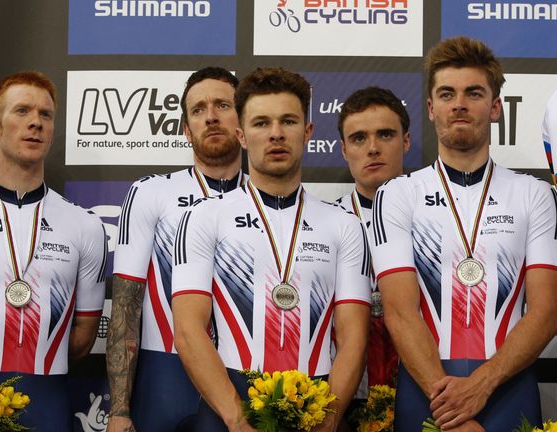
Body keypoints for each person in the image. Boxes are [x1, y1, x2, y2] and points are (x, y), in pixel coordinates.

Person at [371, 36, 557, 431]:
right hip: (427, 391)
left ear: (494, 109)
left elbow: (546, 309)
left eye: (473, 93)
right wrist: (451, 406)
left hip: (509, 387)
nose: (459, 104)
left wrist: (481, 385)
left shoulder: (535, 194)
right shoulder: (397, 194)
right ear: (430, 108)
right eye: (447, 93)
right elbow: (400, 313)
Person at [171, 67, 371, 432]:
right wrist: (237, 418)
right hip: (229, 410)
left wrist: (329, 419)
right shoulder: (203, 218)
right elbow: (188, 330)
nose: (276, 133)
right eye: (261, 123)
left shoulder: (345, 225)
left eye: (289, 121)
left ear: (308, 132)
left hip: (320, 407)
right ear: (241, 135)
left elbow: (354, 336)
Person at [0, 71, 106, 430]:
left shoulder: (85, 225)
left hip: (47, 397)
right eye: (22, 111)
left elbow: (82, 335)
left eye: (45, 115)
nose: (35, 122)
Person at [106, 67, 244, 432]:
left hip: (244, 375)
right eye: (198, 110)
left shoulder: (267, 203)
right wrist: (119, 410)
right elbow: (125, 303)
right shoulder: (150, 193)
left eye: (223, 105)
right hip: (164, 380)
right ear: (186, 130)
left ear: (244, 120)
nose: (211, 116)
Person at [334, 86, 409, 402]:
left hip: (425, 398)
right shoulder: (323, 224)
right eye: (359, 138)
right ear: (343, 150)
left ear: (406, 141)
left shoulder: (439, 220)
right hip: (340, 401)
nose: (373, 148)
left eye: (386, 135)